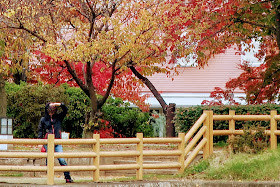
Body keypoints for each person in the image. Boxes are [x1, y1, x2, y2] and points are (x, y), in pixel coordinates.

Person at [38, 102, 73, 183]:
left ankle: (67, 177)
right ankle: (49, 178)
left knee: (62, 160)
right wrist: (40, 142)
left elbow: (65, 110)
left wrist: (59, 104)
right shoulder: (43, 119)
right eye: (50, 109)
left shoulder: (58, 117)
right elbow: (40, 131)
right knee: (49, 160)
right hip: (47, 143)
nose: (52, 111)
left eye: (53, 109)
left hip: (57, 141)